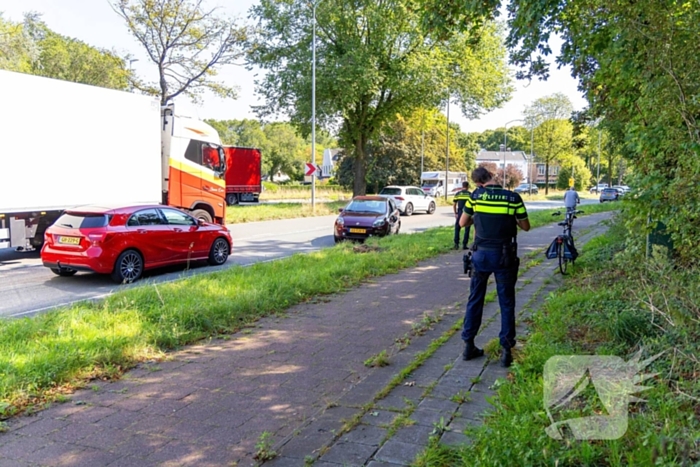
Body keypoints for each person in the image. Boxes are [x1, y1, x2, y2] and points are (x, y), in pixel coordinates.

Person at [459, 167, 531, 367]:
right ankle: (506, 351)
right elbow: (525, 226)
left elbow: (463, 222)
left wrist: (479, 218)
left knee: (475, 299)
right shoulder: (513, 197)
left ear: (478, 183)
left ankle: (468, 345)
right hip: (504, 256)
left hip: (480, 255)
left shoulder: (475, 197)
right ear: (492, 177)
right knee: (506, 302)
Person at [452, 181, 471, 250]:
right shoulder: (470, 194)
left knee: (457, 228)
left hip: (459, 212)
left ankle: (456, 244)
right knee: (467, 229)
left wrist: (455, 213)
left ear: (462, 186)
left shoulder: (458, 194)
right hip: (467, 213)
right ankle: (464, 244)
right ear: (468, 187)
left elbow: (454, 204)